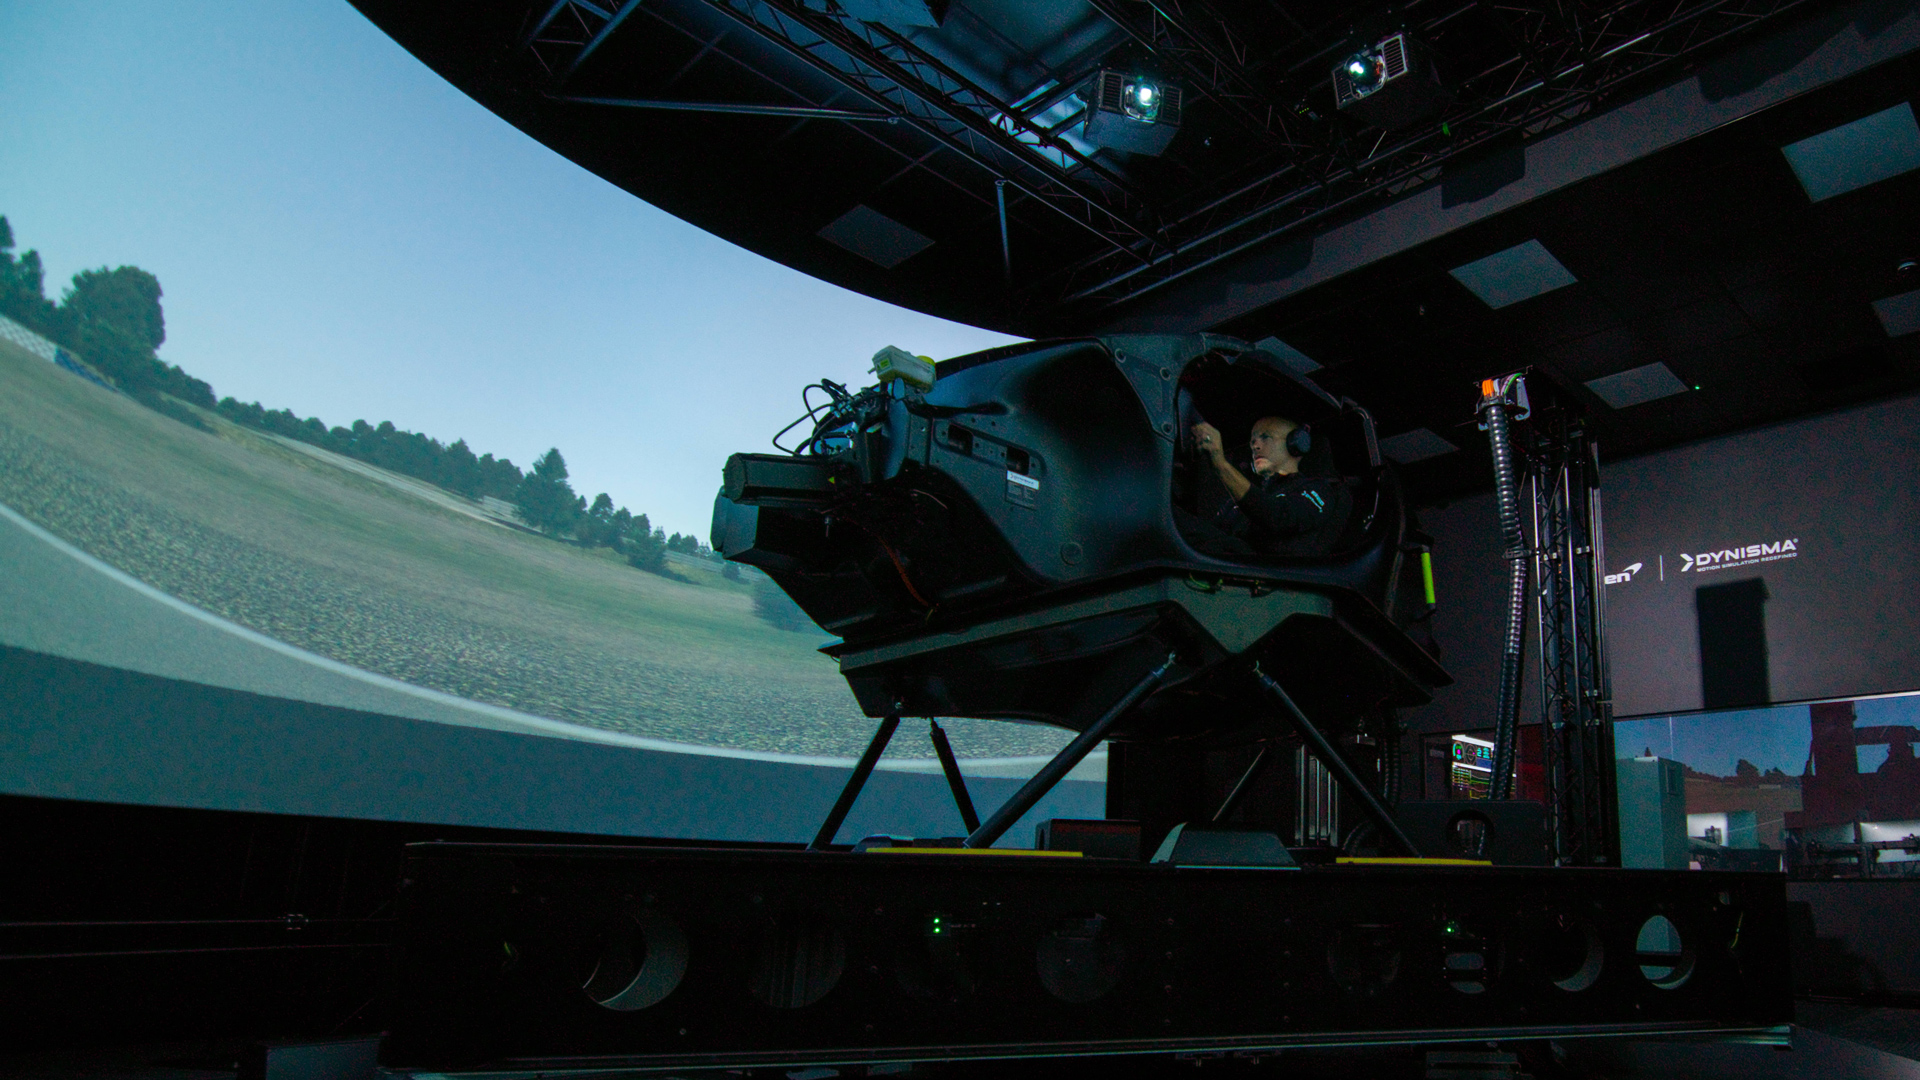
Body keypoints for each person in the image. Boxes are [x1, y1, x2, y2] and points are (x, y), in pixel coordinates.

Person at [1188, 415, 1349, 556]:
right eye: (1252, 441)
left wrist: (1221, 465)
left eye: (1265, 437)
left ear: (1296, 443)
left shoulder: (1319, 490)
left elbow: (1279, 516)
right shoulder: (1240, 502)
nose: (1255, 446)